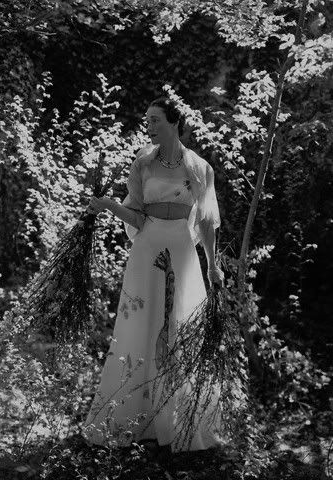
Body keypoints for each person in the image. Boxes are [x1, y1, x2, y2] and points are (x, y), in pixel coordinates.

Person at [82, 97, 225, 452]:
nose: (149, 125)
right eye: (147, 120)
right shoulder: (143, 163)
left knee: (180, 324)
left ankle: (179, 420)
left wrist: (211, 264)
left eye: (156, 119)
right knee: (140, 324)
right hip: (147, 249)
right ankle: (134, 417)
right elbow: (137, 215)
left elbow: (206, 222)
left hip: (181, 250)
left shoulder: (200, 168)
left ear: (174, 122)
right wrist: (110, 206)